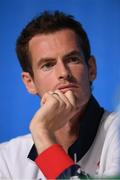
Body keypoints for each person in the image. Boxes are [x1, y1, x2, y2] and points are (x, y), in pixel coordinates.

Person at [0, 11, 120, 179]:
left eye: (72, 59)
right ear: (30, 82)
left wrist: (42, 132)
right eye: (48, 65)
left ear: (91, 69)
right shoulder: (5, 159)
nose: (63, 73)